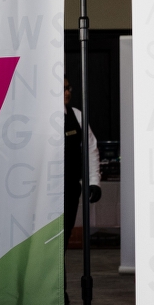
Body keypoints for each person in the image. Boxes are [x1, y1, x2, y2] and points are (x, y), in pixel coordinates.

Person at [63, 76, 102, 249]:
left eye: (68, 88)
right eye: (62, 89)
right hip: (43, 190)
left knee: (65, 233)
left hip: (70, 188)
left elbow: (91, 149)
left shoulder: (77, 115)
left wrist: (94, 182)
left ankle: (60, 267)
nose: (67, 93)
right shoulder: (39, 117)